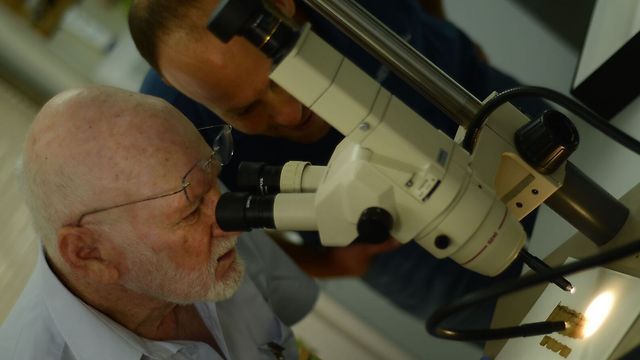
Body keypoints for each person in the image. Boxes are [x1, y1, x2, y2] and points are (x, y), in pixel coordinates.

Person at [129, 0, 544, 326]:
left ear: (282, 3)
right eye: (246, 108)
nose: (291, 113)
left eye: (282, 76)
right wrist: (329, 264)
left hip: (479, 116)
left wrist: (441, 39)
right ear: (189, 91)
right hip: (399, 243)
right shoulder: (174, 126)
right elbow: (220, 227)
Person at [0, 86, 318, 359]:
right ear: (90, 253)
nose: (232, 224)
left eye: (214, 182)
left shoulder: (200, 196)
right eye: (191, 212)